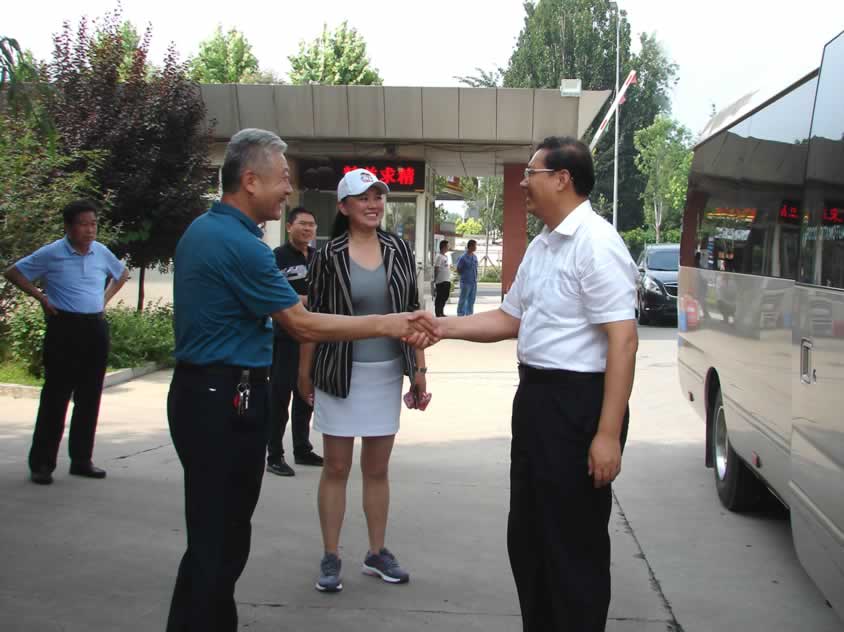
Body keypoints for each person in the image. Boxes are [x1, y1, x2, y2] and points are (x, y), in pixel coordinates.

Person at [166, 130, 430, 632]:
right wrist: (386, 324)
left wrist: (412, 361)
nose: (289, 190)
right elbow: (303, 323)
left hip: (211, 392)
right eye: (282, 178)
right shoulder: (243, 246)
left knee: (217, 535)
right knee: (218, 539)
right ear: (250, 180)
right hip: (223, 397)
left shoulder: (207, 230)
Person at [423, 137, 638, 631]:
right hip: (538, 400)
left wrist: (607, 434)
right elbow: (509, 318)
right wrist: (441, 326)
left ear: (562, 179)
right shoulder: (543, 245)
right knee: (529, 535)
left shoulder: (597, 244)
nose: (522, 183)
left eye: (531, 174)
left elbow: (623, 341)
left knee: (573, 543)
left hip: (579, 406)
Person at [297, 168, 429, 594]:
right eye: (363, 198)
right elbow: (313, 318)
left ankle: (376, 553)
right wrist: (304, 373)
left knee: (377, 469)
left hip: (386, 372)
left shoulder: (399, 248)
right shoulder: (328, 254)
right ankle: (330, 555)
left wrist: (419, 370)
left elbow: (413, 311)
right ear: (344, 206)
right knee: (336, 467)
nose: (374, 204)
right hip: (339, 373)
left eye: (378, 196)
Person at [4, 199, 129, 485]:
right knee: (56, 396)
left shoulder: (101, 252)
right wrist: (41, 297)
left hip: (94, 328)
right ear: (68, 227)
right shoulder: (52, 253)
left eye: (93, 224)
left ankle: (82, 460)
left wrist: (104, 299)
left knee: (90, 396)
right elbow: (13, 272)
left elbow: (121, 274)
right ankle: (42, 464)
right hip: (64, 327)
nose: (90, 230)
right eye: (83, 224)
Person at [266, 206, 323, 477]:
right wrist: (309, 301)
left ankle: (302, 448)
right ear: (289, 226)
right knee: (279, 398)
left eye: (311, 225)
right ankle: (274, 455)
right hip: (286, 338)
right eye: (302, 224)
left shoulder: (319, 258)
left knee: (306, 394)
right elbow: (276, 293)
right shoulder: (277, 257)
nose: (307, 229)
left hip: (314, 337)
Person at [456, 239, 478, 316]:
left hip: (473, 282)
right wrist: (464, 276)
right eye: (475, 246)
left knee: (471, 299)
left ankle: (469, 314)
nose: (476, 247)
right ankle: (460, 314)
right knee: (463, 299)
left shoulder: (475, 257)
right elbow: (458, 269)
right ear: (470, 246)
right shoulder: (463, 258)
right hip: (465, 282)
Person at [433, 239, 451, 317]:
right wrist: (435, 279)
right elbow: (436, 268)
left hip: (447, 279)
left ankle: (441, 312)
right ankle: (438, 313)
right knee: (440, 297)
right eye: (447, 246)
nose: (448, 247)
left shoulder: (445, 256)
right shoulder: (439, 256)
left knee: (445, 296)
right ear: (443, 247)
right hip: (440, 281)